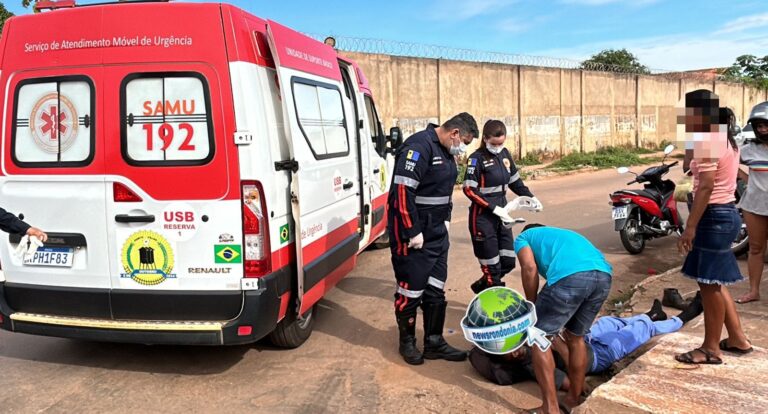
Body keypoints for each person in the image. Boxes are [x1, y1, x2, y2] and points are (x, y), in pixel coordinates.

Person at [388, 113, 479, 365]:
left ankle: (434, 342)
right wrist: (411, 231)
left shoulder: (446, 152)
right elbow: (402, 191)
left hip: (438, 232)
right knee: (411, 290)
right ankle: (407, 343)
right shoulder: (418, 147)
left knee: (435, 287)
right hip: (415, 235)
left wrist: (447, 218)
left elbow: (444, 194)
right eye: (465, 142)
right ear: (455, 134)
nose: (463, 149)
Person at [469, 295, 704, 390]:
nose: (516, 353)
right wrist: (555, 342)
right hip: (596, 357)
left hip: (582, 339)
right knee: (641, 330)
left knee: (611, 321)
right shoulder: (534, 364)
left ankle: (652, 314)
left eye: (511, 348)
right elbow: (574, 384)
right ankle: (681, 318)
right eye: (508, 356)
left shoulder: (521, 337)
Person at [675, 90, 752, 365]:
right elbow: (688, 168)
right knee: (715, 283)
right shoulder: (723, 138)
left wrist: (690, 227)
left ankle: (710, 349)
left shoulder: (709, 139)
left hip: (713, 216)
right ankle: (737, 339)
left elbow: (706, 186)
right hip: (725, 214)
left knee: (709, 285)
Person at [514, 224, 612, 413]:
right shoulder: (565, 235)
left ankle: (550, 408)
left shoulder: (524, 237)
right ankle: (574, 398)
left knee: (538, 339)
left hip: (572, 277)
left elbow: (529, 268)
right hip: (603, 277)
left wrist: (532, 305)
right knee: (575, 338)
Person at [462, 120, 541, 294]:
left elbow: (515, 182)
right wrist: (493, 208)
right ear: (485, 139)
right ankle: (494, 306)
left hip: (504, 215)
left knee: (508, 261)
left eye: (501, 143)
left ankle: (484, 284)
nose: (497, 147)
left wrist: (530, 197)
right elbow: (469, 189)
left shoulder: (504, 154)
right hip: (483, 217)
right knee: (492, 268)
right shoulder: (476, 159)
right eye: (494, 144)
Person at [735, 101, 768, 304]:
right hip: (754, 206)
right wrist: (746, 180)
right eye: (758, 126)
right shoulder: (748, 150)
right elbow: (726, 161)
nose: (763, 130)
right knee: (756, 249)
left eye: (765, 125)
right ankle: (754, 291)